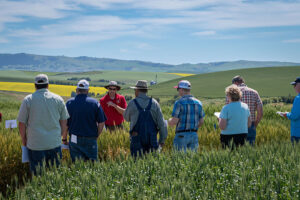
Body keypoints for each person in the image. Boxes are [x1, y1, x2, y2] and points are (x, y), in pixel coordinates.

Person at [17, 74, 69, 174]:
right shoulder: (58, 99)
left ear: (35, 85)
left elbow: (21, 123)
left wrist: (24, 140)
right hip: (54, 143)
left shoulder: (28, 100)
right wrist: (59, 135)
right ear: (48, 85)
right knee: (55, 176)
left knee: (38, 177)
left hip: (35, 145)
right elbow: (64, 122)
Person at [63, 80, 106, 162]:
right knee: (92, 165)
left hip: (74, 139)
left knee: (77, 165)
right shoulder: (95, 103)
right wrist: (96, 136)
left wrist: (64, 139)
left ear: (76, 90)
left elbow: (65, 124)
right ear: (87, 91)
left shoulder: (69, 103)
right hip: (90, 138)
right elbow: (101, 122)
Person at [124, 80, 167, 157]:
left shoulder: (132, 103)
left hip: (136, 138)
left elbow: (126, 118)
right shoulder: (154, 103)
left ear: (137, 90)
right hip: (152, 138)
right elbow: (162, 124)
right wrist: (162, 140)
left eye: (135, 90)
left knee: (137, 163)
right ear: (146, 91)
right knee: (152, 163)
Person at [168, 80, 205, 152]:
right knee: (192, 160)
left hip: (181, 135)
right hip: (194, 134)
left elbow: (174, 121)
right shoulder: (198, 103)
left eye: (178, 89)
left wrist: (168, 121)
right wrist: (192, 128)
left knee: (179, 159)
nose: (178, 91)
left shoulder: (179, 102)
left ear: (181, 89)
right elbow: (201, 122)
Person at [228, 75, 263, 145]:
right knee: (250, 150)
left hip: (235, 125)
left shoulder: (231, 94)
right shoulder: (254, 92)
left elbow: (228, 110)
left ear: (235, 83)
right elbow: (260, 111)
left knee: (236, 149)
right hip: (250, 124)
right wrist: (255, 124)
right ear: (242, 82)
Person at [219, 85, 251, 149]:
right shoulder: (245, 106)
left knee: (228, 157)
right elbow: (249, 124)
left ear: (229, 96)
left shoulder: (226, 108)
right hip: (242, 135)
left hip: (227, 136)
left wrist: (219, 119)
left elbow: (222, 127)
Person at [283, 77, 300, 143]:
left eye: (295, 85)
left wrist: (287, 114)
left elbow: (294, 116)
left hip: (297, 133)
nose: (294, 87)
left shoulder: (298, 98)